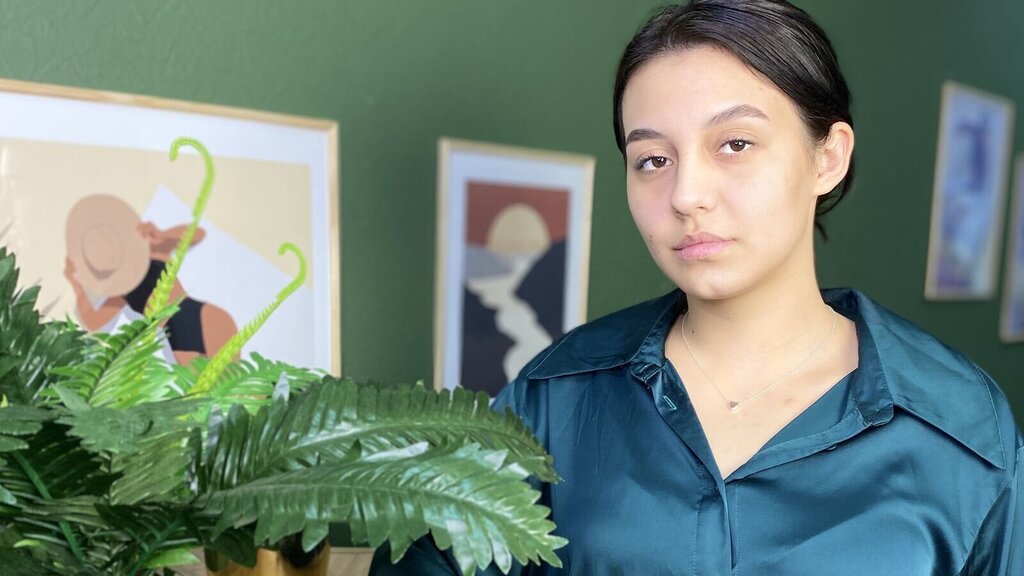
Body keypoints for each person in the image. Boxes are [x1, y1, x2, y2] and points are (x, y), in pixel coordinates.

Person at [371, 1, 1023, 574]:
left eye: (734, 144)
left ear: (827, 157)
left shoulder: (961, 427)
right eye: (653, 160)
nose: (685, 194)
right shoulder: (559, 394)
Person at [64, 194, 238, 366]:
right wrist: (76, 283)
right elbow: (93, 321)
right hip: (173, 343)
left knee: (233, 373)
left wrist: (164, 235)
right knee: (211, 379)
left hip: (200, 315)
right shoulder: (118, 290)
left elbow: (197, 234)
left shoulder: (150, 249)